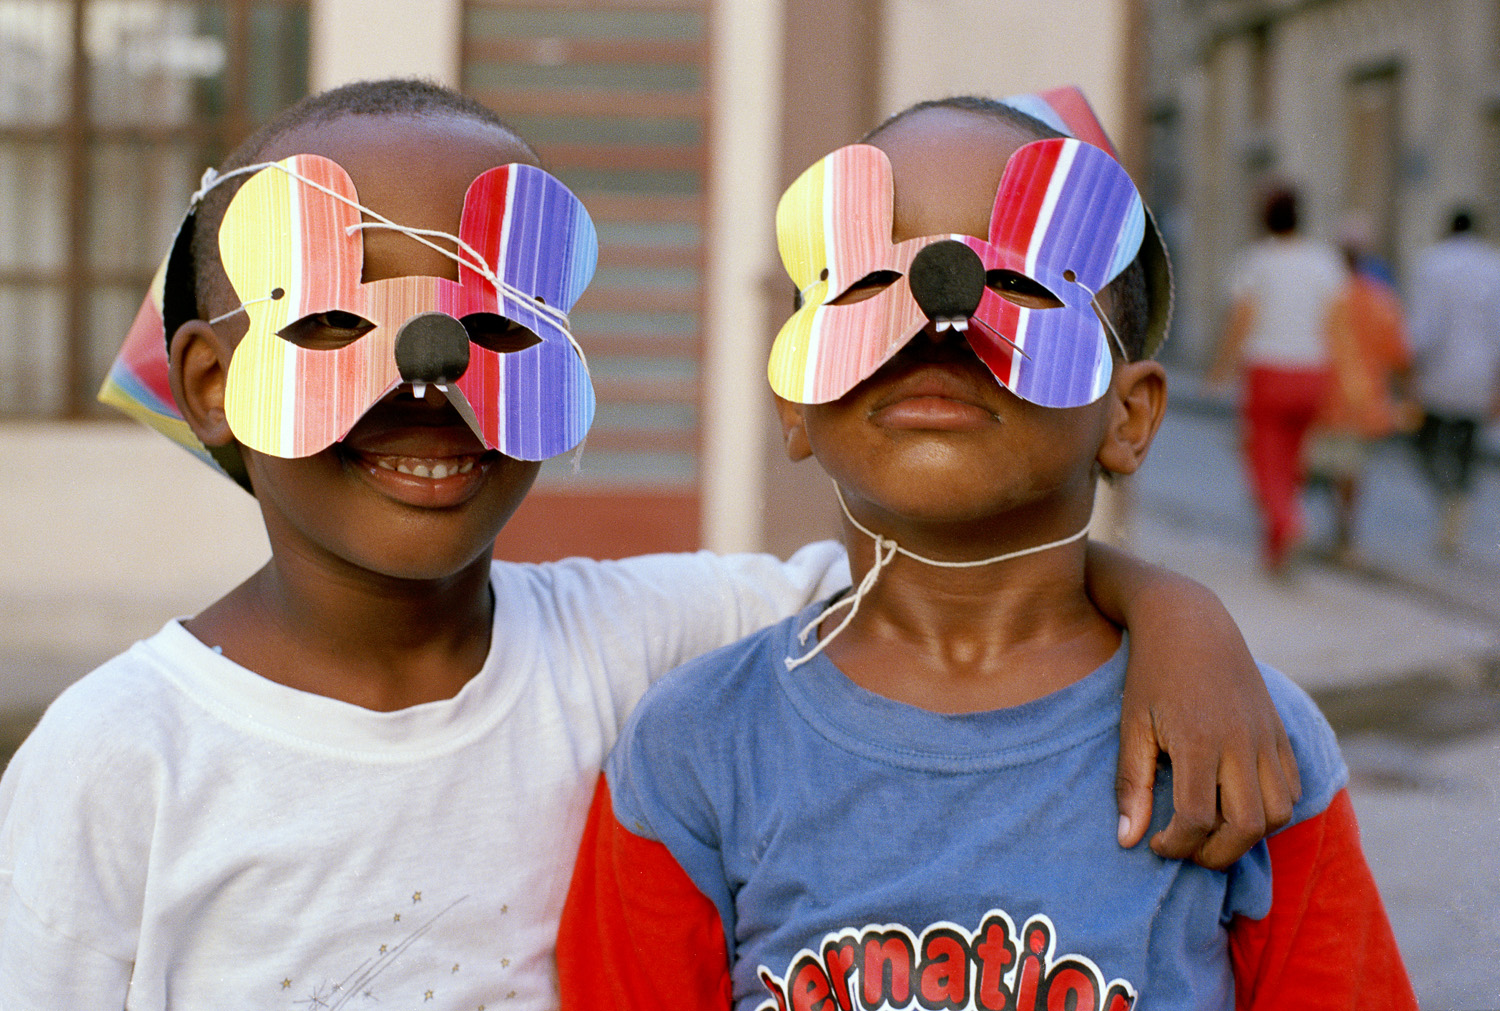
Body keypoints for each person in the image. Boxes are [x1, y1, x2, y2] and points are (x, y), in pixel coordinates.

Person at [0, 80, 1299, 1008]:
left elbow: (945, 574)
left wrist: (1179, 613)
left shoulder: (638, 638)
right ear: (218, 383)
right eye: (339, 328)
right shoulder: (118, 760)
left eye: (492, 330)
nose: (426, 379)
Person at [557, 93, 1413, 1009]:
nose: (940, 311)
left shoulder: (1241, 747)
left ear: (1129, 417)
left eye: (1024, 286)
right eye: (864, 286)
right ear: (794, 398)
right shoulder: (694, 751)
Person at [1209, 187, 1347, 572]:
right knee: (1292, 461)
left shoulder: (1255, 260)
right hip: (1313, 372)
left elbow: (1243, 318)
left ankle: (1289, 523)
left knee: (1263, 458)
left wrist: (1221, 368)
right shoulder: (1325, 261)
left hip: (1269, 371)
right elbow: (1336, 324)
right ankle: (1275, 549)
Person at [1304, 218, 1414, 562]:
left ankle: (1322, 529)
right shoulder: (1382, 299)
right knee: (1351, 471)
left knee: (1320, 467)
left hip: (1323, 397)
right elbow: (1399, 354)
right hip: (1364, 401)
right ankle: (1344, 534)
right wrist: (1409, 394)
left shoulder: (1324, 296)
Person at [1406, 207, 1500, 558]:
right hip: (1479, 376)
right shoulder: (1494, 265)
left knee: (1423, 441)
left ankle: (1448, 496)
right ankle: (1457, 500)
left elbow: (1423, 326)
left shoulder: (1432, 263)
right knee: (1467, 448)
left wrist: (1411, 373)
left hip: (1439, 374)